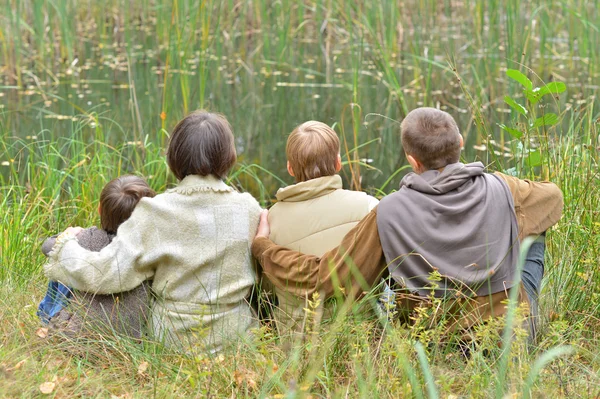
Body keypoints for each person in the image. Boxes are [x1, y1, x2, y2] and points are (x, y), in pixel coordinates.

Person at [252, 107, 563, 336]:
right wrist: (500, 221)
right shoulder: (502, 186)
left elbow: (326, 277)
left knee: (389, 265)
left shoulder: (389, 213)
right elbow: (553, 199)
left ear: (413, 161)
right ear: (460, 142)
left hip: (438, 334)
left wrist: (264, 248)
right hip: (510, 331)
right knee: (531, 230)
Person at [44, 110, 262, 353]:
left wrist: (64, 247)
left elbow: (108, 273)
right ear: (228, 156)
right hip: (235, 339)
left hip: (173, 341)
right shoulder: (250, 209)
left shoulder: (154, 211)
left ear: (174, 157)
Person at [266, 121, 379, 338]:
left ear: (290, 168)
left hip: (296, 344)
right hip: (358, 340)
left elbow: (268, 289)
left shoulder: (271, 219)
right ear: (338, 163)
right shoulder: (368, 207)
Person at [38, 175, 156, 339]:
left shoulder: (90, 238)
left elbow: (47, 246)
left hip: (77, 336)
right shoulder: (153, 248)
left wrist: (71, 234)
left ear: (100, 209)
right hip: (132, 338)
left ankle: (47, 316)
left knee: (64, 260)